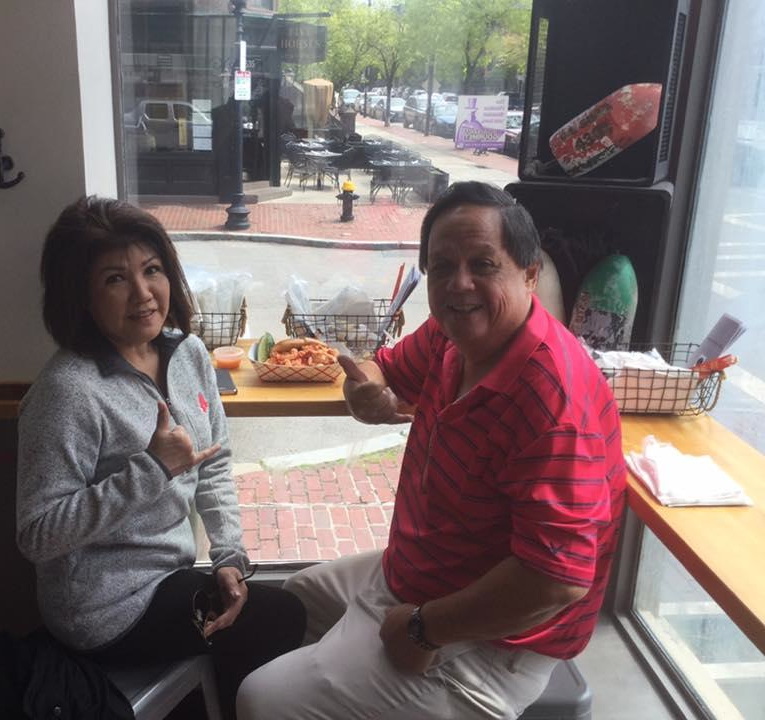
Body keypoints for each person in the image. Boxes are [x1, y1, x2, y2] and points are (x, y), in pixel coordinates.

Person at [237, 181, 627, 720]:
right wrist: (365, 390)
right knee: (293, 599)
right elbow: (384, 367)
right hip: (417, 573)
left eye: (482, 264)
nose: (458, 283)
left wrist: (425, 628)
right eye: (441, 267)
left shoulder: (550, 399)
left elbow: (556, 580)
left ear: (530, 274)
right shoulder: (456, 334)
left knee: (262, 700)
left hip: (495, 641)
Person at [16, 196, 305, 719]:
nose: (144, 294)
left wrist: (229, 558)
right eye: (114, 279)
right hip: (105, 606)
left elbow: (214, 462)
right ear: (79, 294)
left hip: (170, 575)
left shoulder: (188, 352)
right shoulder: (68, 390)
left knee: (257, 608)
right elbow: (37, 535)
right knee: (279, 618)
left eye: (151, 270)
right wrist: (151, 470)